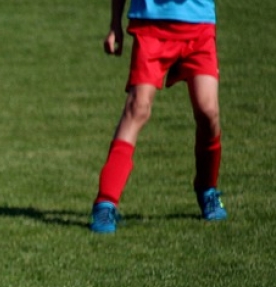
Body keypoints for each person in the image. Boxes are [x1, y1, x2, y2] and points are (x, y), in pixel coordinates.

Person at [89, 0, 226, 233]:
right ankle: (105, 203)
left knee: (208, 111)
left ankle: (207, 189)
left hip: (199, 24)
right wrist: (115, 23)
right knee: (138, 108)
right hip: (151, 24)